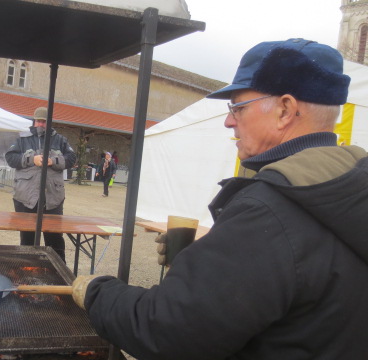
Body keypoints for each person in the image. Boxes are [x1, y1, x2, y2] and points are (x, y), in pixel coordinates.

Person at [70, 38, 368, 359]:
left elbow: (170, 331)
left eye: (238, 107)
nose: (229, 120)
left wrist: (98, 292)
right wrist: (207, 262)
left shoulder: (269, 209)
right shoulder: (348, 187)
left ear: (285, 109)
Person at [5, 107, 77, 262]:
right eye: (39, 121)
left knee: (54, 238)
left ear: (50, 123)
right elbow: (10, 158)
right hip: (25, 197)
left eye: (44, 122)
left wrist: (54, 161)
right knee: (27, 238)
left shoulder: (61, 140)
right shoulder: (22, 139)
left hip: (53, 198)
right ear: (34, 121)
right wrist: (31, 159)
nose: (41, 125)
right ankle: (26, 268)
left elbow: (72, 158)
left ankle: (58, 270)